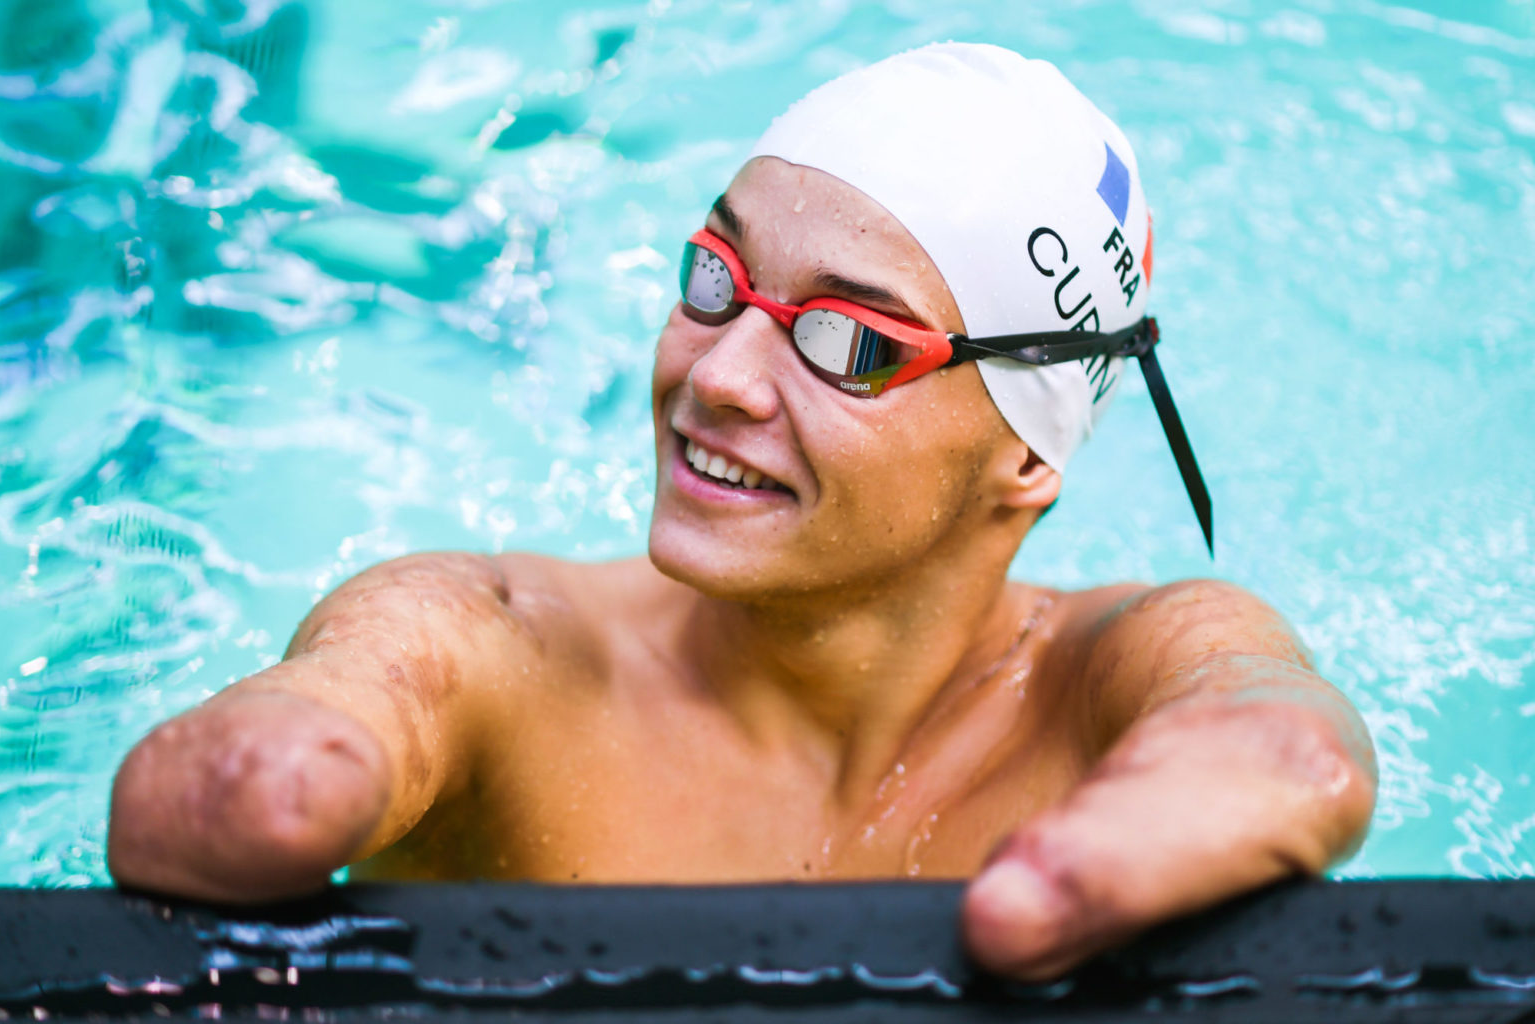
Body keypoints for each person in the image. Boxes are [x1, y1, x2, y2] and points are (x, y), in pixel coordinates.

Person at [107, 43, 1376, 981]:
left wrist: (1055, 890)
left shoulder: (1122, 674)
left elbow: (1289, 752)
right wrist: (297, 753)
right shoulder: (495, 640)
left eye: (847, 340)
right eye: (714, 277)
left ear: (1028, 460)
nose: (713, 373)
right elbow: (239, 790)